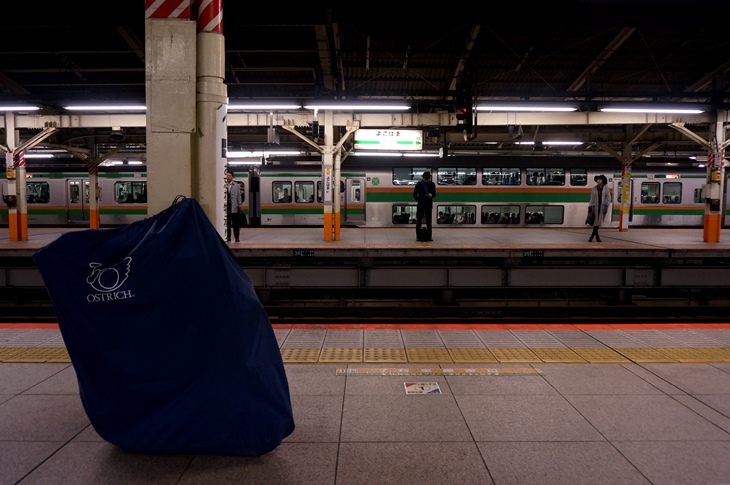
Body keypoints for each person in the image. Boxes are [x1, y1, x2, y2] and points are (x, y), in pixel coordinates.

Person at [412, 171, 436, 241]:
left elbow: (434, 194)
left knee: (429, 222)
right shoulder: (419, 184)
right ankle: (418, 236)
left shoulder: (432, 184)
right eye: (425, 179)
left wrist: (431, 195)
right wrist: (419, 199)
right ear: (423, 178)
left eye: (427, 179)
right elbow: (414, 194)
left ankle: (429, 237)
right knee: (419, 221)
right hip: (421, 204)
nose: (426, 180)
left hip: (428, 205)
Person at [588, 174, 611, 242]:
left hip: (602, 207)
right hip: (595, 208)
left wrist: (606, 204)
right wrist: (590, 206)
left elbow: (608, 197)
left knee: (597, 222)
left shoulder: (606, 188)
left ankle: (593, 236)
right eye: (598, 179)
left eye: (600, 179)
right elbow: (592, 199)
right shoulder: (594, 188)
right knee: (596, 222)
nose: (598, 181)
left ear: (603, 180)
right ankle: (595, 236)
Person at [226, 171, 242, 242]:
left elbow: (239, 196)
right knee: (227, 224)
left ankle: (237, 237)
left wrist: (240, 205)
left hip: (234, 207)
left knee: (236, 223)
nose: (228, 177)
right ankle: (228, 237)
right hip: (226, 207)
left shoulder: (236, 185)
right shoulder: (224, 185)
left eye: (229, 175)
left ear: (232, 177)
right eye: (227, 175)